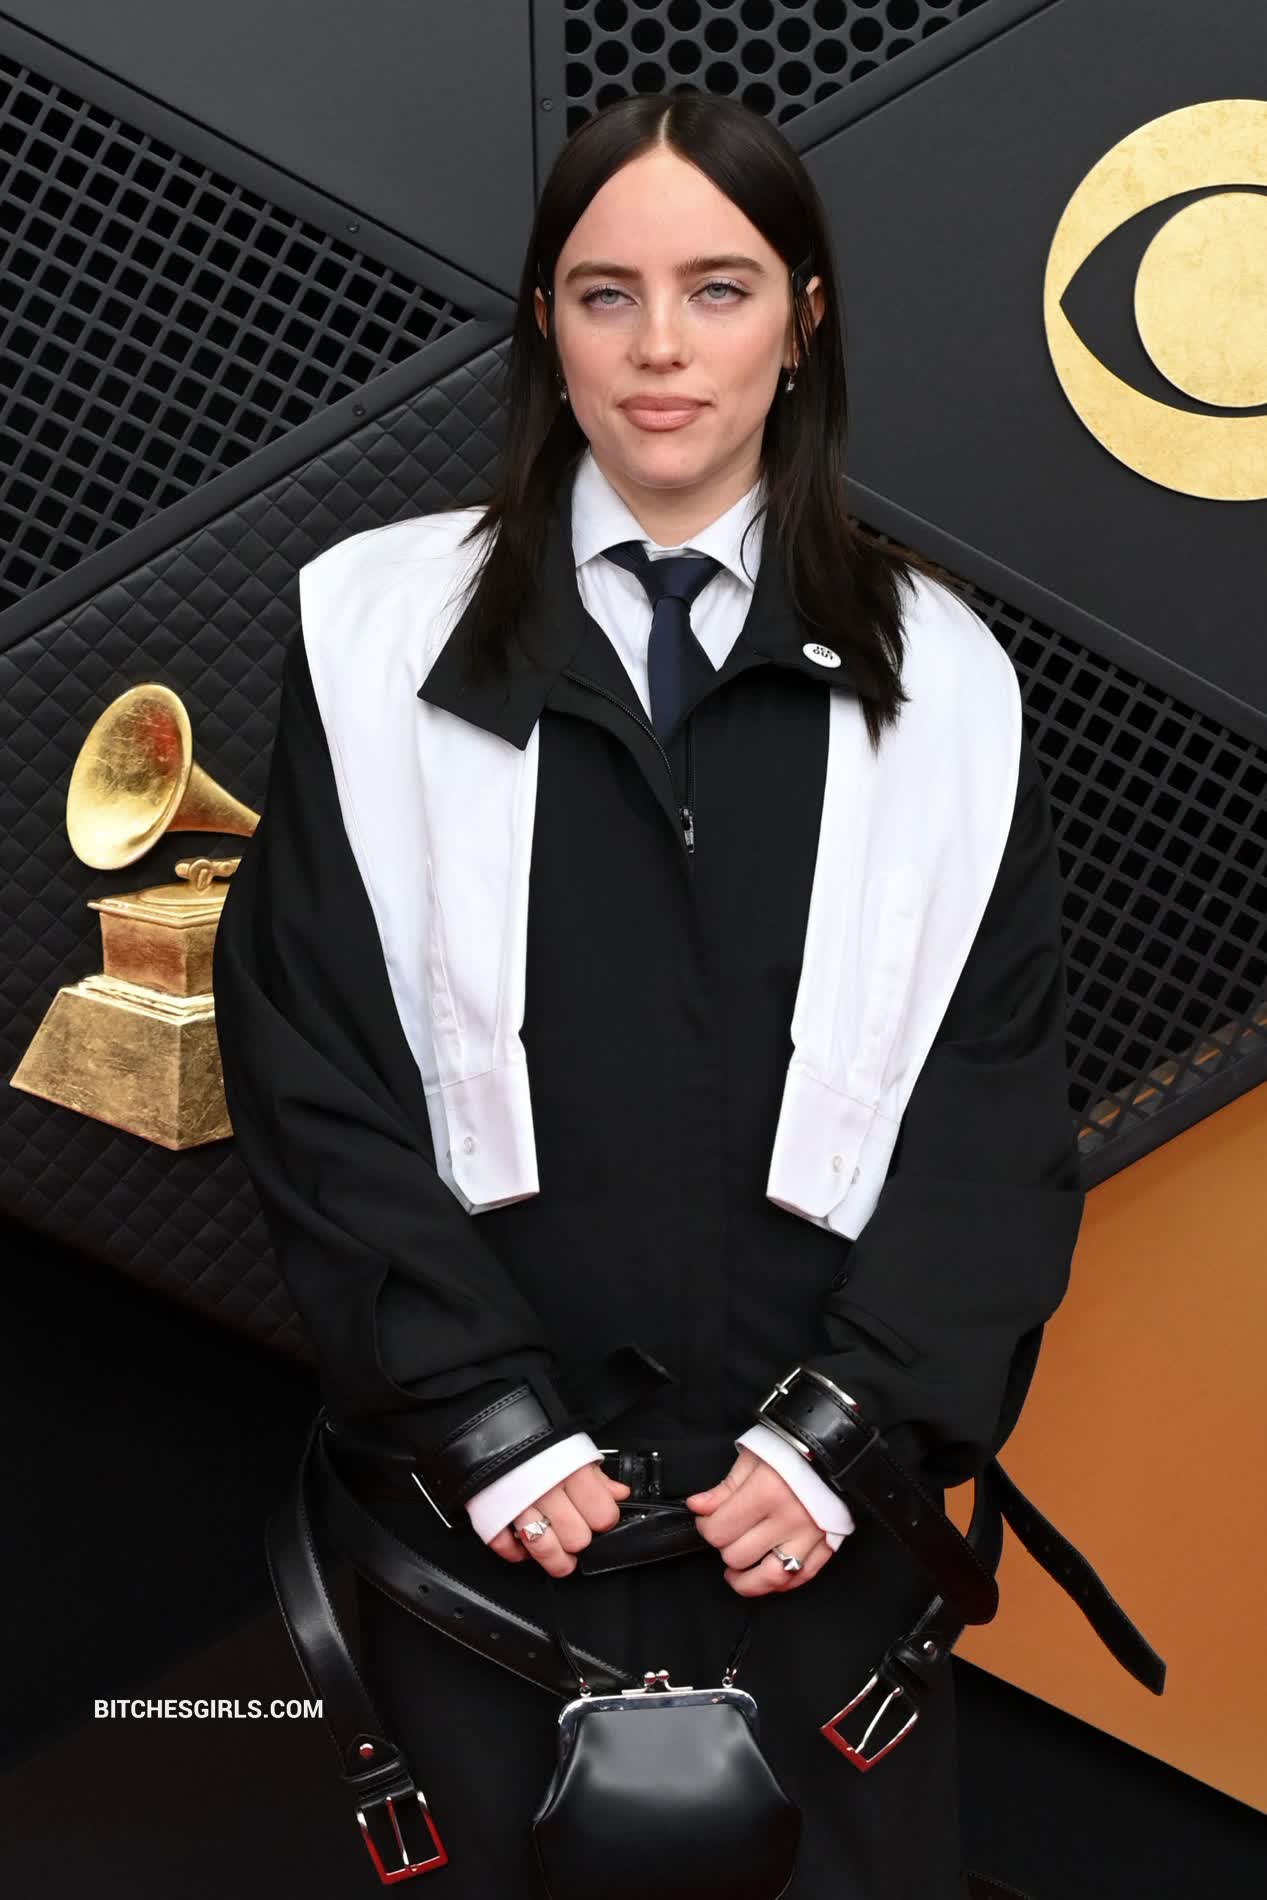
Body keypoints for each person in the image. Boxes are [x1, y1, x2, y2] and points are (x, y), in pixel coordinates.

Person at [211, 91, 1084, 1899]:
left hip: (811, 1531)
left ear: (806, 318)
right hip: (487, 1527)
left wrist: (848, 1435)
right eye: (607, 294)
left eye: (720, 288)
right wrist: (480, 1415)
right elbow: (307, 1057)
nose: (662, 348)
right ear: (547, 322)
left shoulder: (950, 680)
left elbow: (992, 1104)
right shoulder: (370, 632)